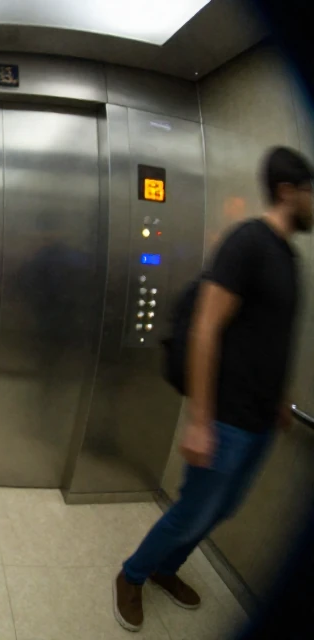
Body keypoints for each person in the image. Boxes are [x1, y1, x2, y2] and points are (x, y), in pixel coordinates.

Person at [113, 146, 314, 632]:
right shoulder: (248, 242)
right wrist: (200, 421)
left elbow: (272, 336)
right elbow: (206, 328)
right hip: (225, 418)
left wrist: (279, 400)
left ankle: (166, 569)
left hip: (259, 420)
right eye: (311, 192)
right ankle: (132, 574)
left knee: (221, 509)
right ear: (288, 191)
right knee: (192, 512)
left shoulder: (288, 257)